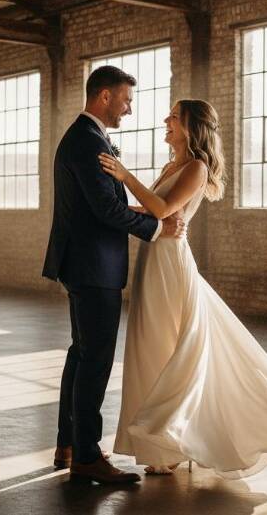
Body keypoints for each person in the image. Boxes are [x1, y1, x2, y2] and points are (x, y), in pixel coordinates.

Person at [100, 99, 267, 479]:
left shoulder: (196, 168)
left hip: (169, 263)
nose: (166, 120)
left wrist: (124, 175)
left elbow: (162, 209)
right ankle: (163, 445)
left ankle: (174, 440)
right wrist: (116, 210)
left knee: (169, 347)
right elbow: (149, 211)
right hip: (152, 259)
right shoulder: (171, 166)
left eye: (174, 116)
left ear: (191, 128)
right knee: (149, 347)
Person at [42, 66, 186, 484]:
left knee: (81, 354)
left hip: (82, 263)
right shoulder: (88, 141)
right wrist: (157, 229)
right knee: (96, 359)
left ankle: (69, 444)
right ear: (104, 96)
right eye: (126, 100)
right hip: (93, 266)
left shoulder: (86, 136)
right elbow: (106, 208)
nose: (129, 109)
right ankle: (87, 457)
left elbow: (104, 204)